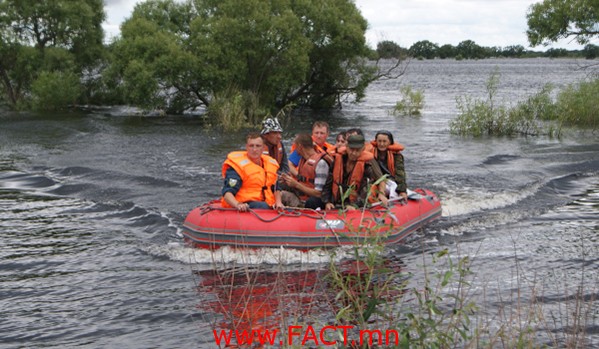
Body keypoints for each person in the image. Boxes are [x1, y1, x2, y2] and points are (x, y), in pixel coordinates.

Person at [322, 134, 388, 211]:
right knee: (312, 202)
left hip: (353, 204)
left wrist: (354, 205)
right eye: (351, 149)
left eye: (357, 150)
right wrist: (327, 201)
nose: (353, 153)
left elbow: (365, 191)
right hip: (335, 202)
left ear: (363, 149)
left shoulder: (367, 166)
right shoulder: (337, 160)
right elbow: (328, 184)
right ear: (346, 147)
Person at [221, 132, 284, 212]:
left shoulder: (269, 164)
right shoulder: (237, 167)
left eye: (258, 146)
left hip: (266, 201)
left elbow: (276, 187)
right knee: (263, 206)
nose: (254, 150)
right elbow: (227, 193)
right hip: (245, 203)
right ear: (246, 147)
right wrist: (238, 204)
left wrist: (278, 203)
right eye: (251, 146)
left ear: (263, 148)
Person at [280, 133, 333, 209]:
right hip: (302, 196)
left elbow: (319, 193)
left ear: (300, 147)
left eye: (295, 147)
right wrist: (288, 181)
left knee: (312, 201)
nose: (294, 149)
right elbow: (302, 180)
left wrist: (296, 184)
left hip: (315, 200)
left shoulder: (321, 163)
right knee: (279, 187)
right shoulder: (303, 159)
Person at [370, 131, 408, 200]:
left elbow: (400, 174)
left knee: (393, 187)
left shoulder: (396, 156)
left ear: (390, 142)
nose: (381, 144)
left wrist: (402, 190)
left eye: (384, 141)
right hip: (375, 181)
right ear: (376, 142)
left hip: (391, 181)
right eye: (379, 141)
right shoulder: (370, 154)